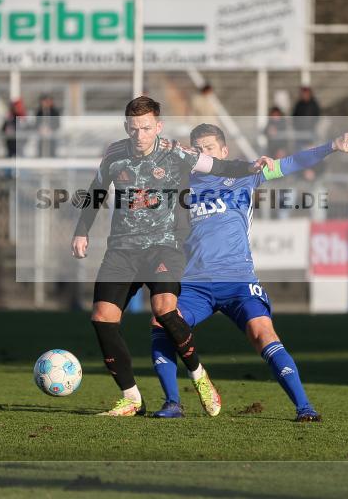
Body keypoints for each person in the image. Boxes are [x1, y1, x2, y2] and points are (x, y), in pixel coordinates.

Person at [71, 96, 272, 417]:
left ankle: (198, 375)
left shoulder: (176, 152)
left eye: (146, 128)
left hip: (164, 247)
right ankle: (132, 398)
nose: (140, 135)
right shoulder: (113, 154)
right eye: (134, 128)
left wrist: (251, 166)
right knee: (102, 318)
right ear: (126, 127)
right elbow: (96, 191)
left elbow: (217, 166)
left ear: (158, 127)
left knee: (164, 309)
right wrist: (82, 230)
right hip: (122, 249)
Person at [150, 123, 348, 422]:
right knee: (161, 323)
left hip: (238, 280)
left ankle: (304, 407)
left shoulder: (245, 176)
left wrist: (331, 146)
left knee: (262, 334)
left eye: (209, 148)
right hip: (195, 283)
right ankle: (173, 403)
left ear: (223, 151)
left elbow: (290, 164)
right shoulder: (182, 186)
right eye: (197, 149)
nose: (202, 154)